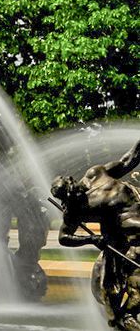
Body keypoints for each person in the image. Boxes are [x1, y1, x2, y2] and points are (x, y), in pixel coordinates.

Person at [52, 137, 140, 330]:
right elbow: (64, 237)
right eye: (66, 197)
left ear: (71, 179)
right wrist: (91, 239)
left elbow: (127, 161)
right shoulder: (75, 209)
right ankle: (124, 319)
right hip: (128, 237)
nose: (71, 197)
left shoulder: (96, 174)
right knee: (126, 290)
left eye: (70, 191)